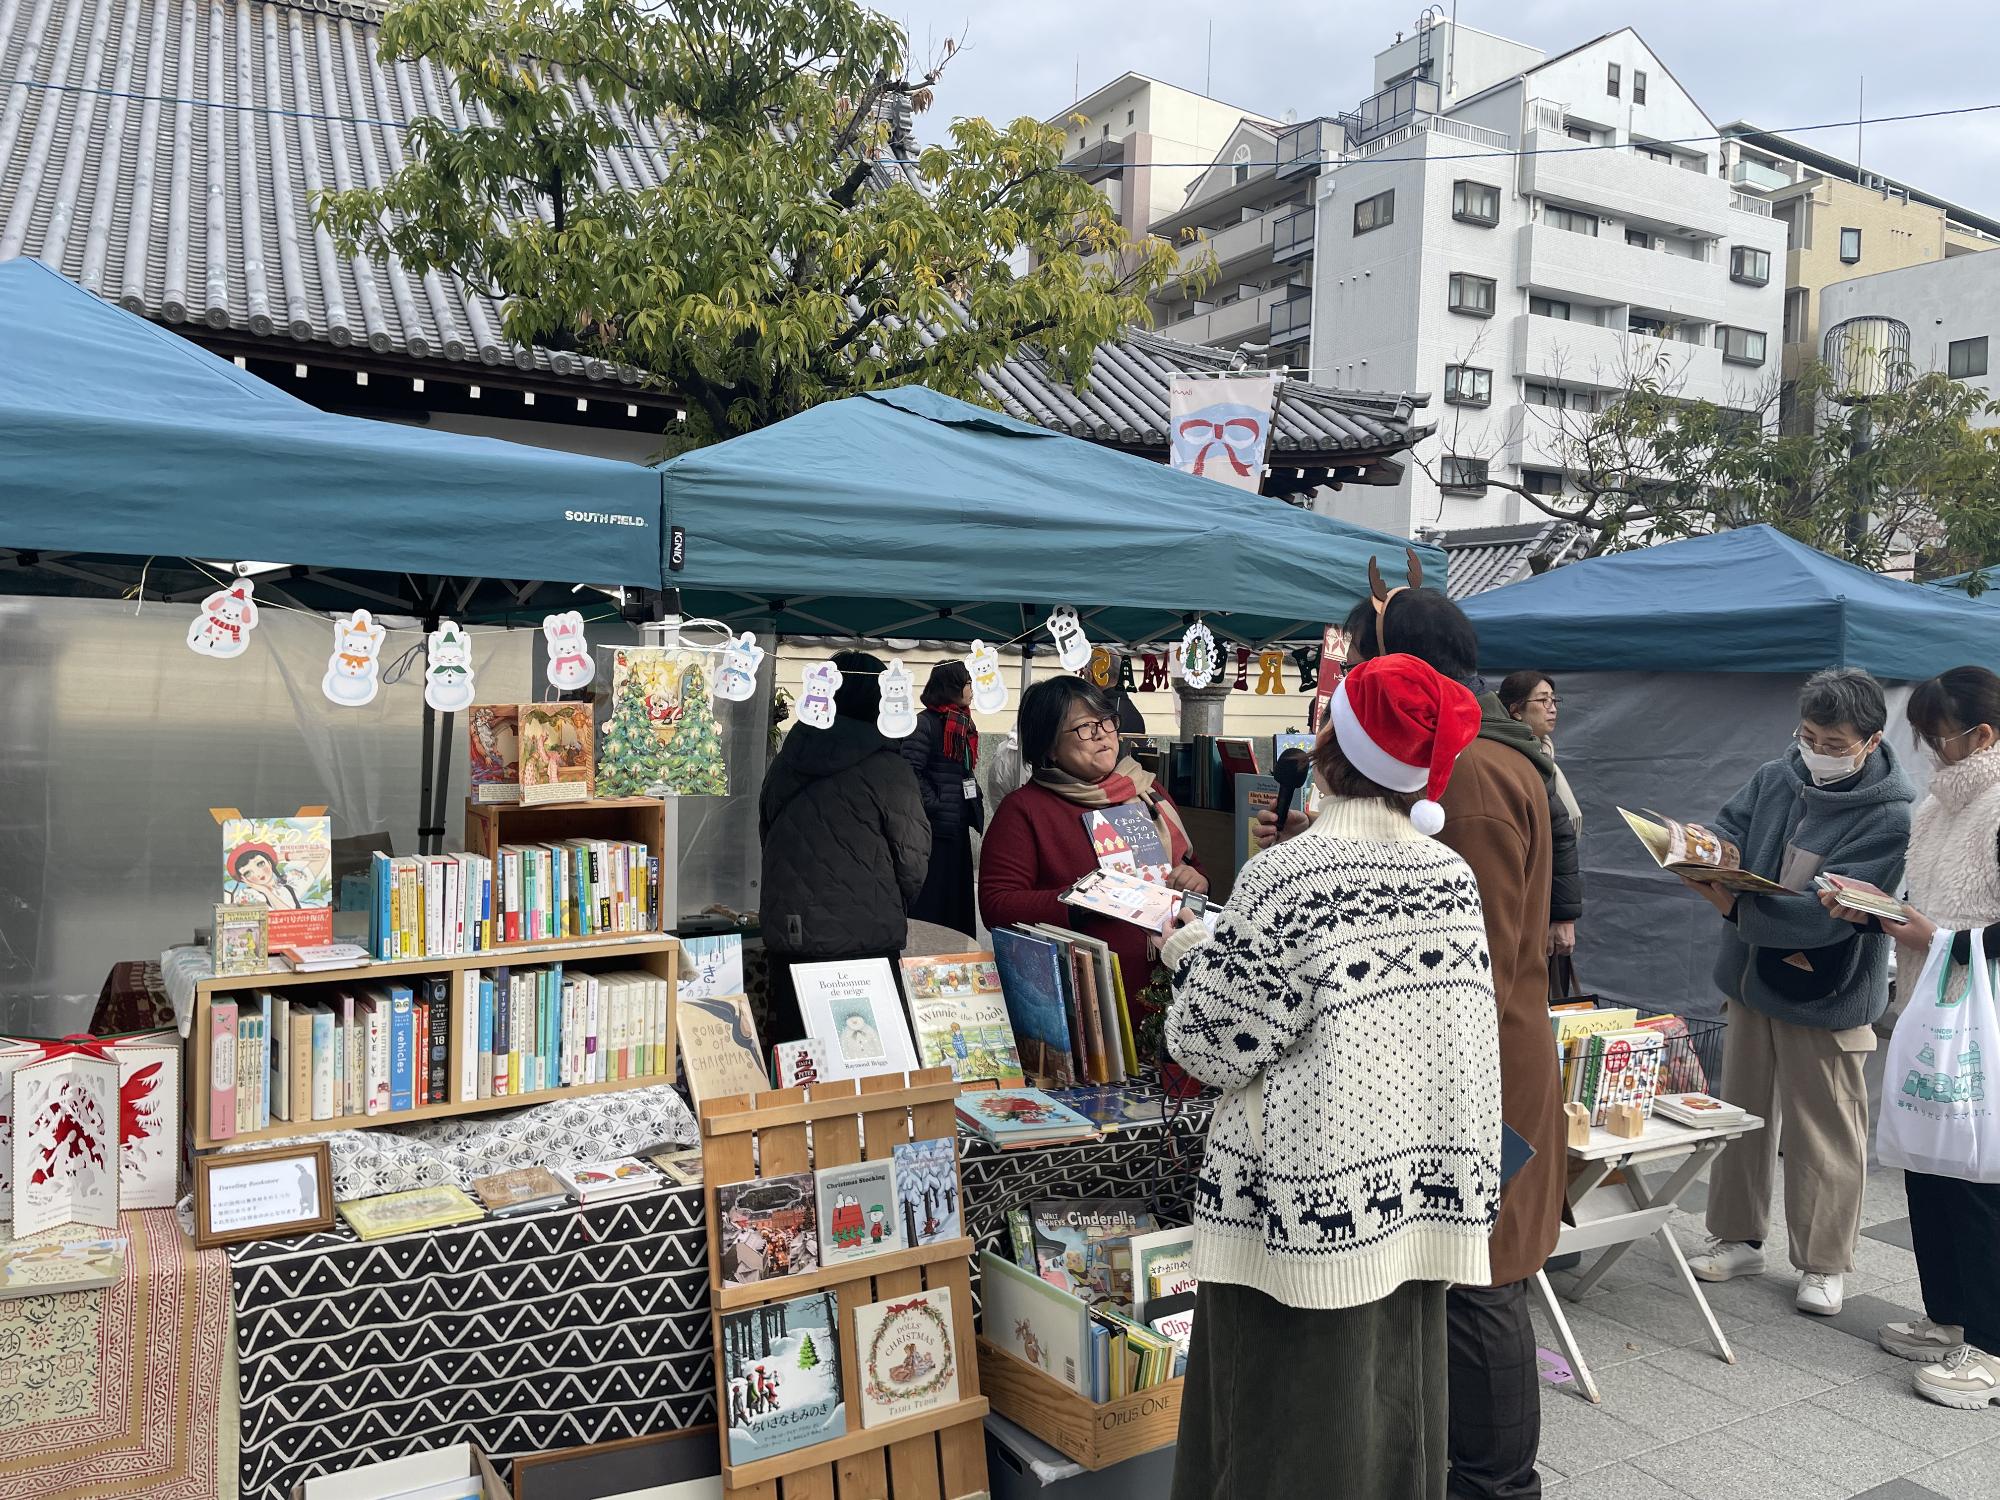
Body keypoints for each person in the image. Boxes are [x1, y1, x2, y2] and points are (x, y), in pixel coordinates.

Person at [1165, 653, 1502, 1500]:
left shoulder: (1289, 876)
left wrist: (1184, 953)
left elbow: (1208, 1047)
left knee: (1277, 1439)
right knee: (1393, 1431)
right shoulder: (1448, 875)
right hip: (1413, 1202)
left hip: (1297, 1213)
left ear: (1330, 745)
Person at [1258, 578, 1564, 1500]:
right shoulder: (1480, 761)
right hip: (1478, 1058)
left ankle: (1497, 1483)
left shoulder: (1461, 776)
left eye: (1356, 659)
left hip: (1469, 1071)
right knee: (1473, 1275)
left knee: (1481, 1280)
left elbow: (1458, 959)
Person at [1685, 668, 1915, 1317]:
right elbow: (1729, 825)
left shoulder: (1891, 815)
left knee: (1825, 1129)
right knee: (1742, 1114)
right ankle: (1735, 1234)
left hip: (1830, 990)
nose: (1817, 749)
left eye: (1834, 742)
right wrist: (1711, 850)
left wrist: (1734, 908)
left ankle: (1822, 1263)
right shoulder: (1776, 774)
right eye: (1809, 735)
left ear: (1871, 741)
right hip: (1752, 977)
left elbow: (1827, 913)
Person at [1818, 666, 2000, 1408]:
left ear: (1982, 735)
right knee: (1932, 1161)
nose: (1927, 750)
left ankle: (1989, 1346)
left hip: (1984, 1010)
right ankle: (1950, 1315)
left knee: (1980, 1176)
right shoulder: (1942, 803)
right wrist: (1875, 911)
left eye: (1938, 736)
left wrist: (1940, 936)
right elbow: (1923, 900)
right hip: (1934, 997)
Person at [979, 677, 1205, 1019]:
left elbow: (1193, 868)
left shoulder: (1146, 789)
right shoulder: (1025, 809)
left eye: (1106, 722)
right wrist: (1082, 900)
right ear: (1050, 747)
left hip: (1175, 992)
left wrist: (1196, 881)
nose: (1102, 734)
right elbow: (997, 904)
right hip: (1086, 1006)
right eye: (1084, 727)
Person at [758, 651, 930, 1050]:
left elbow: (768, 833)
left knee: (798, 1053)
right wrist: (888, 902)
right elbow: (914, 858)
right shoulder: (889, 769)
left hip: (791, 932)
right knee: (868, 1057)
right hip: (867, 939)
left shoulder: (787, 761)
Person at [1498, 671, 1584, 962]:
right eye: (1542, 700)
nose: (1552, 707)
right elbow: (1560, 835)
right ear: (1516, 711)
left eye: (1554, 700)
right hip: (1527, 898)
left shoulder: (1543, 754)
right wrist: (1563, 916)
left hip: (1543, 894)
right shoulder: (1523, 759)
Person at [901, 661, 985, 935]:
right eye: (968, 683)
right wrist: (935, 803)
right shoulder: (923, 724)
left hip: (957, 826)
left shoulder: (962, 722)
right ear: (952, 686)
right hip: (933, 830)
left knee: (957, 902)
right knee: (934, 903)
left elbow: (963, 770)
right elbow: (909, 771)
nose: (972, 689)